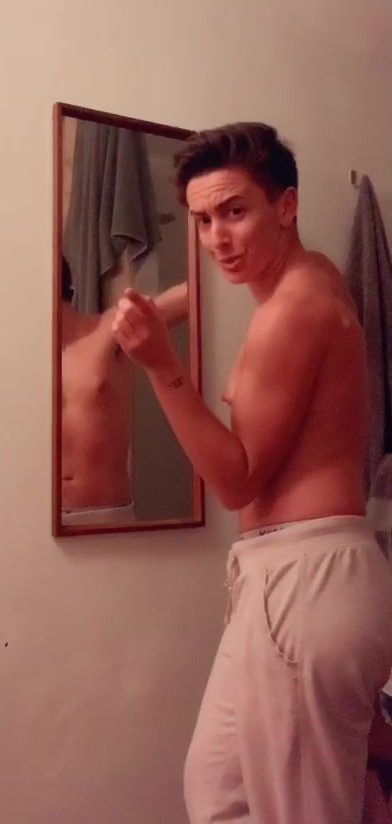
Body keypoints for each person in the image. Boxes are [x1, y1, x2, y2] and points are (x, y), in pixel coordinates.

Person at [112, 122, 392, 823]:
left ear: (286, 205)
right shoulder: (307, 282)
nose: (218, 238)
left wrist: (162, 366)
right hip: (287, 580)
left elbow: (238, 480)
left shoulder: (291, 311)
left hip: (306, 579)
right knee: (218, 790)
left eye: (235, 211)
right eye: (203, 220)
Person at [60, 256, 188, 525]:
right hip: (38, 521)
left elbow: (191, 296)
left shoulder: (108, 330)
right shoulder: (19, 357)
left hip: (106, 516)